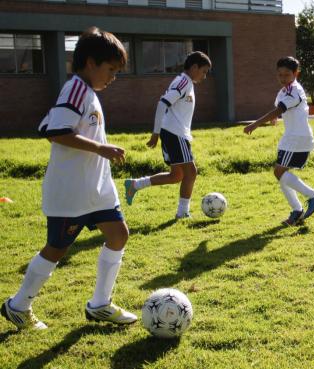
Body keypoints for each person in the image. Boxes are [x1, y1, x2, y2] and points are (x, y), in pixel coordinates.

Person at [1, 27, 136, 329]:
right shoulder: (76, 88)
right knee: (57, 248)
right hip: (72, 191)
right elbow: (56, 132)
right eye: (111, 70)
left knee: (119, 235)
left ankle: (100, 304)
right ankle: (18, 306)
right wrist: (101, 148)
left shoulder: (85, 91)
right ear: (90, 62)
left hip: (97, 188)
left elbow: (46, 123)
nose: (113, 78)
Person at [123, 51, 212, 219]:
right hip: (174, 132)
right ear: (194, 67)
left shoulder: (187, 82)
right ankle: (183, 213)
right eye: (204, 71)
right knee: (191, 173)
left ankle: (134, 185)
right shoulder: (183, 82)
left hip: (176, 133)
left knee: (176, 175)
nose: (204, 76)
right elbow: (162, 103)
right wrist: (155, 133)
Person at [243, 56, 314, 226]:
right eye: (279, 75)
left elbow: (280, 108)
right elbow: (280, 109)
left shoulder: (294, 90)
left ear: (296, 74)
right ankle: (297, 210)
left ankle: (313, 196)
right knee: (280, 174)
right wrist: (276, 118)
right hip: (291, 138)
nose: (283, 78)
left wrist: (256, 123)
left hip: (297, 138)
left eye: (287, 75)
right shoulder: (283, 91)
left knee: (279, 172)